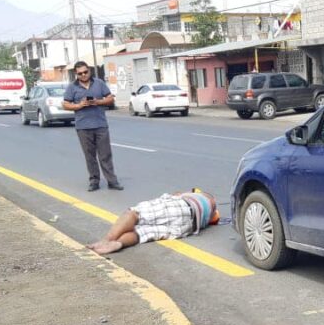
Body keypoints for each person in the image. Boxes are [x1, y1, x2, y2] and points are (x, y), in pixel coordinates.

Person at [88, 189, 219, 255]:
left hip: (181, 208)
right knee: (142, 233)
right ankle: (118, 243)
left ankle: (106, 239)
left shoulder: (196, 196)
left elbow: (176, 194)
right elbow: (215, 219)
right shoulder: (211, 214)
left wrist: (180, 194)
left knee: (134, 213)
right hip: (187, 227)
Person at [63, 61, 123, 191]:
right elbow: (65, 104)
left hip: (100, 124)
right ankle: (94, 181)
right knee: (90, 156)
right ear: (76, 74)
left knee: (105, 155)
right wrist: (79, 105)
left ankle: (112, 181)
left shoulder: (99, 83)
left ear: (89, 71)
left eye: (85, 72)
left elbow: (110, 98)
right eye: (80, 73)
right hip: (83, 127)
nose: (83, 75)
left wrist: (98, 101)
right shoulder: (72, 87)